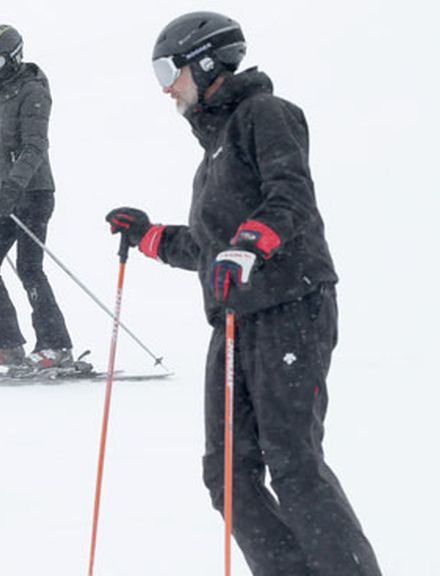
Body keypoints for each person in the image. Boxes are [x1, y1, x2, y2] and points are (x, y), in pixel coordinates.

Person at [105, 12, 381, 576]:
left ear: (205, 62)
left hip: (290, 306)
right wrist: (148, 235)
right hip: (236, 317)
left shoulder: (265, 115)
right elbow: (212, 247)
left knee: (294, 463)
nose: (165, 86)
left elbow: (291, 196)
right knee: (228, 474)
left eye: (169, 69)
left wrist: (252, 245)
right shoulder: (213, 151)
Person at [0, 24, 76, 372]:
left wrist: (12, 189)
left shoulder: (32, 92)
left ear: (15, 57)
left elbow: (34, 148)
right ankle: (7, 344)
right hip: (6, 195)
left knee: (30, 268)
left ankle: (56, 345)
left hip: (33, 193)